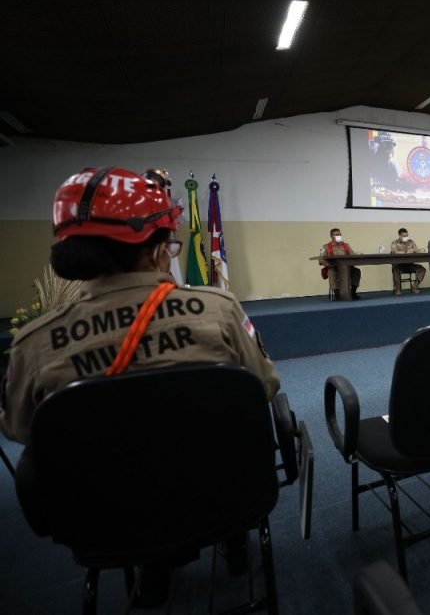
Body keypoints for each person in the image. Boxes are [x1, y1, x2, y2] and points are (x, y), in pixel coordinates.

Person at [1, 167, 282, 603]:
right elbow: (265, 386)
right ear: (157, 248)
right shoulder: (218, 310)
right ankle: (231, 540)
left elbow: (21, 430)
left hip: (104, 516)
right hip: (225, 490)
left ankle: (150, 564)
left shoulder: (33, 342)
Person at [319, 228, 361, 300]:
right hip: (334, 267)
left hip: (347, 267)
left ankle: (352, 292)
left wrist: (359, 255)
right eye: (337, 235)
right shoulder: (325, 247)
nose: (339, 236)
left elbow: (352, 254)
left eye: (340, 234)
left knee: (356, 271)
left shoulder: (346, 245)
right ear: (332, 237)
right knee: (331, 272)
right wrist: (330, 265)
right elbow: (321, 260)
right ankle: (337, 294)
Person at [390, 227, 425, 295]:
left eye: (407, 235)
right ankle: (397, 289)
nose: (406, 237)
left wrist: (414, 251)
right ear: (400, 236)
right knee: (395, 270)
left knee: (422, 269)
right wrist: (406, 251)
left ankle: (414, 286)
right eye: (404, 236)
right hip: (399, 265)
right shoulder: (395, 243)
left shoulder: (411, 242)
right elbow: (395, 252)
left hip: (409, 264)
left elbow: (417, 250)